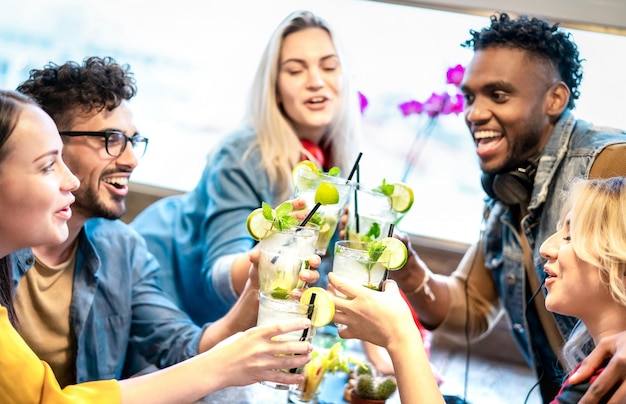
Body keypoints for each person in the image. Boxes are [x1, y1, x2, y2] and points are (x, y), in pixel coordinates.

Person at [13, 56, 320, 384]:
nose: (130, 160)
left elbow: (185, 349)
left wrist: (254, 287)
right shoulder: (8, 243)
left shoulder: (123, 248)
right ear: (53, 144)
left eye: (133, 142)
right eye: (112, 140)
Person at [386, 12, 626, 403]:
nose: (474, 113)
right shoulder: (507, 186)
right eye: (470, 97)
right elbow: (471, 306)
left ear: (555, 99)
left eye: (498, 95)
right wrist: (408, 269)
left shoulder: (609, 163)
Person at [130, 9, 360, 325]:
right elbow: (219, 275)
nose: (316, 82)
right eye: (295, 71)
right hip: (165, 290)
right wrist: (275, 250)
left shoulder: (340, 161)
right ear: (275, 88)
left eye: (329, 66)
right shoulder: (242, 152)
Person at [330, 176, 626, 403]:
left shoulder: (604, 384)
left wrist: (400, 338)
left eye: (571, 237)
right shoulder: (600, 364)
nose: (546, 248)